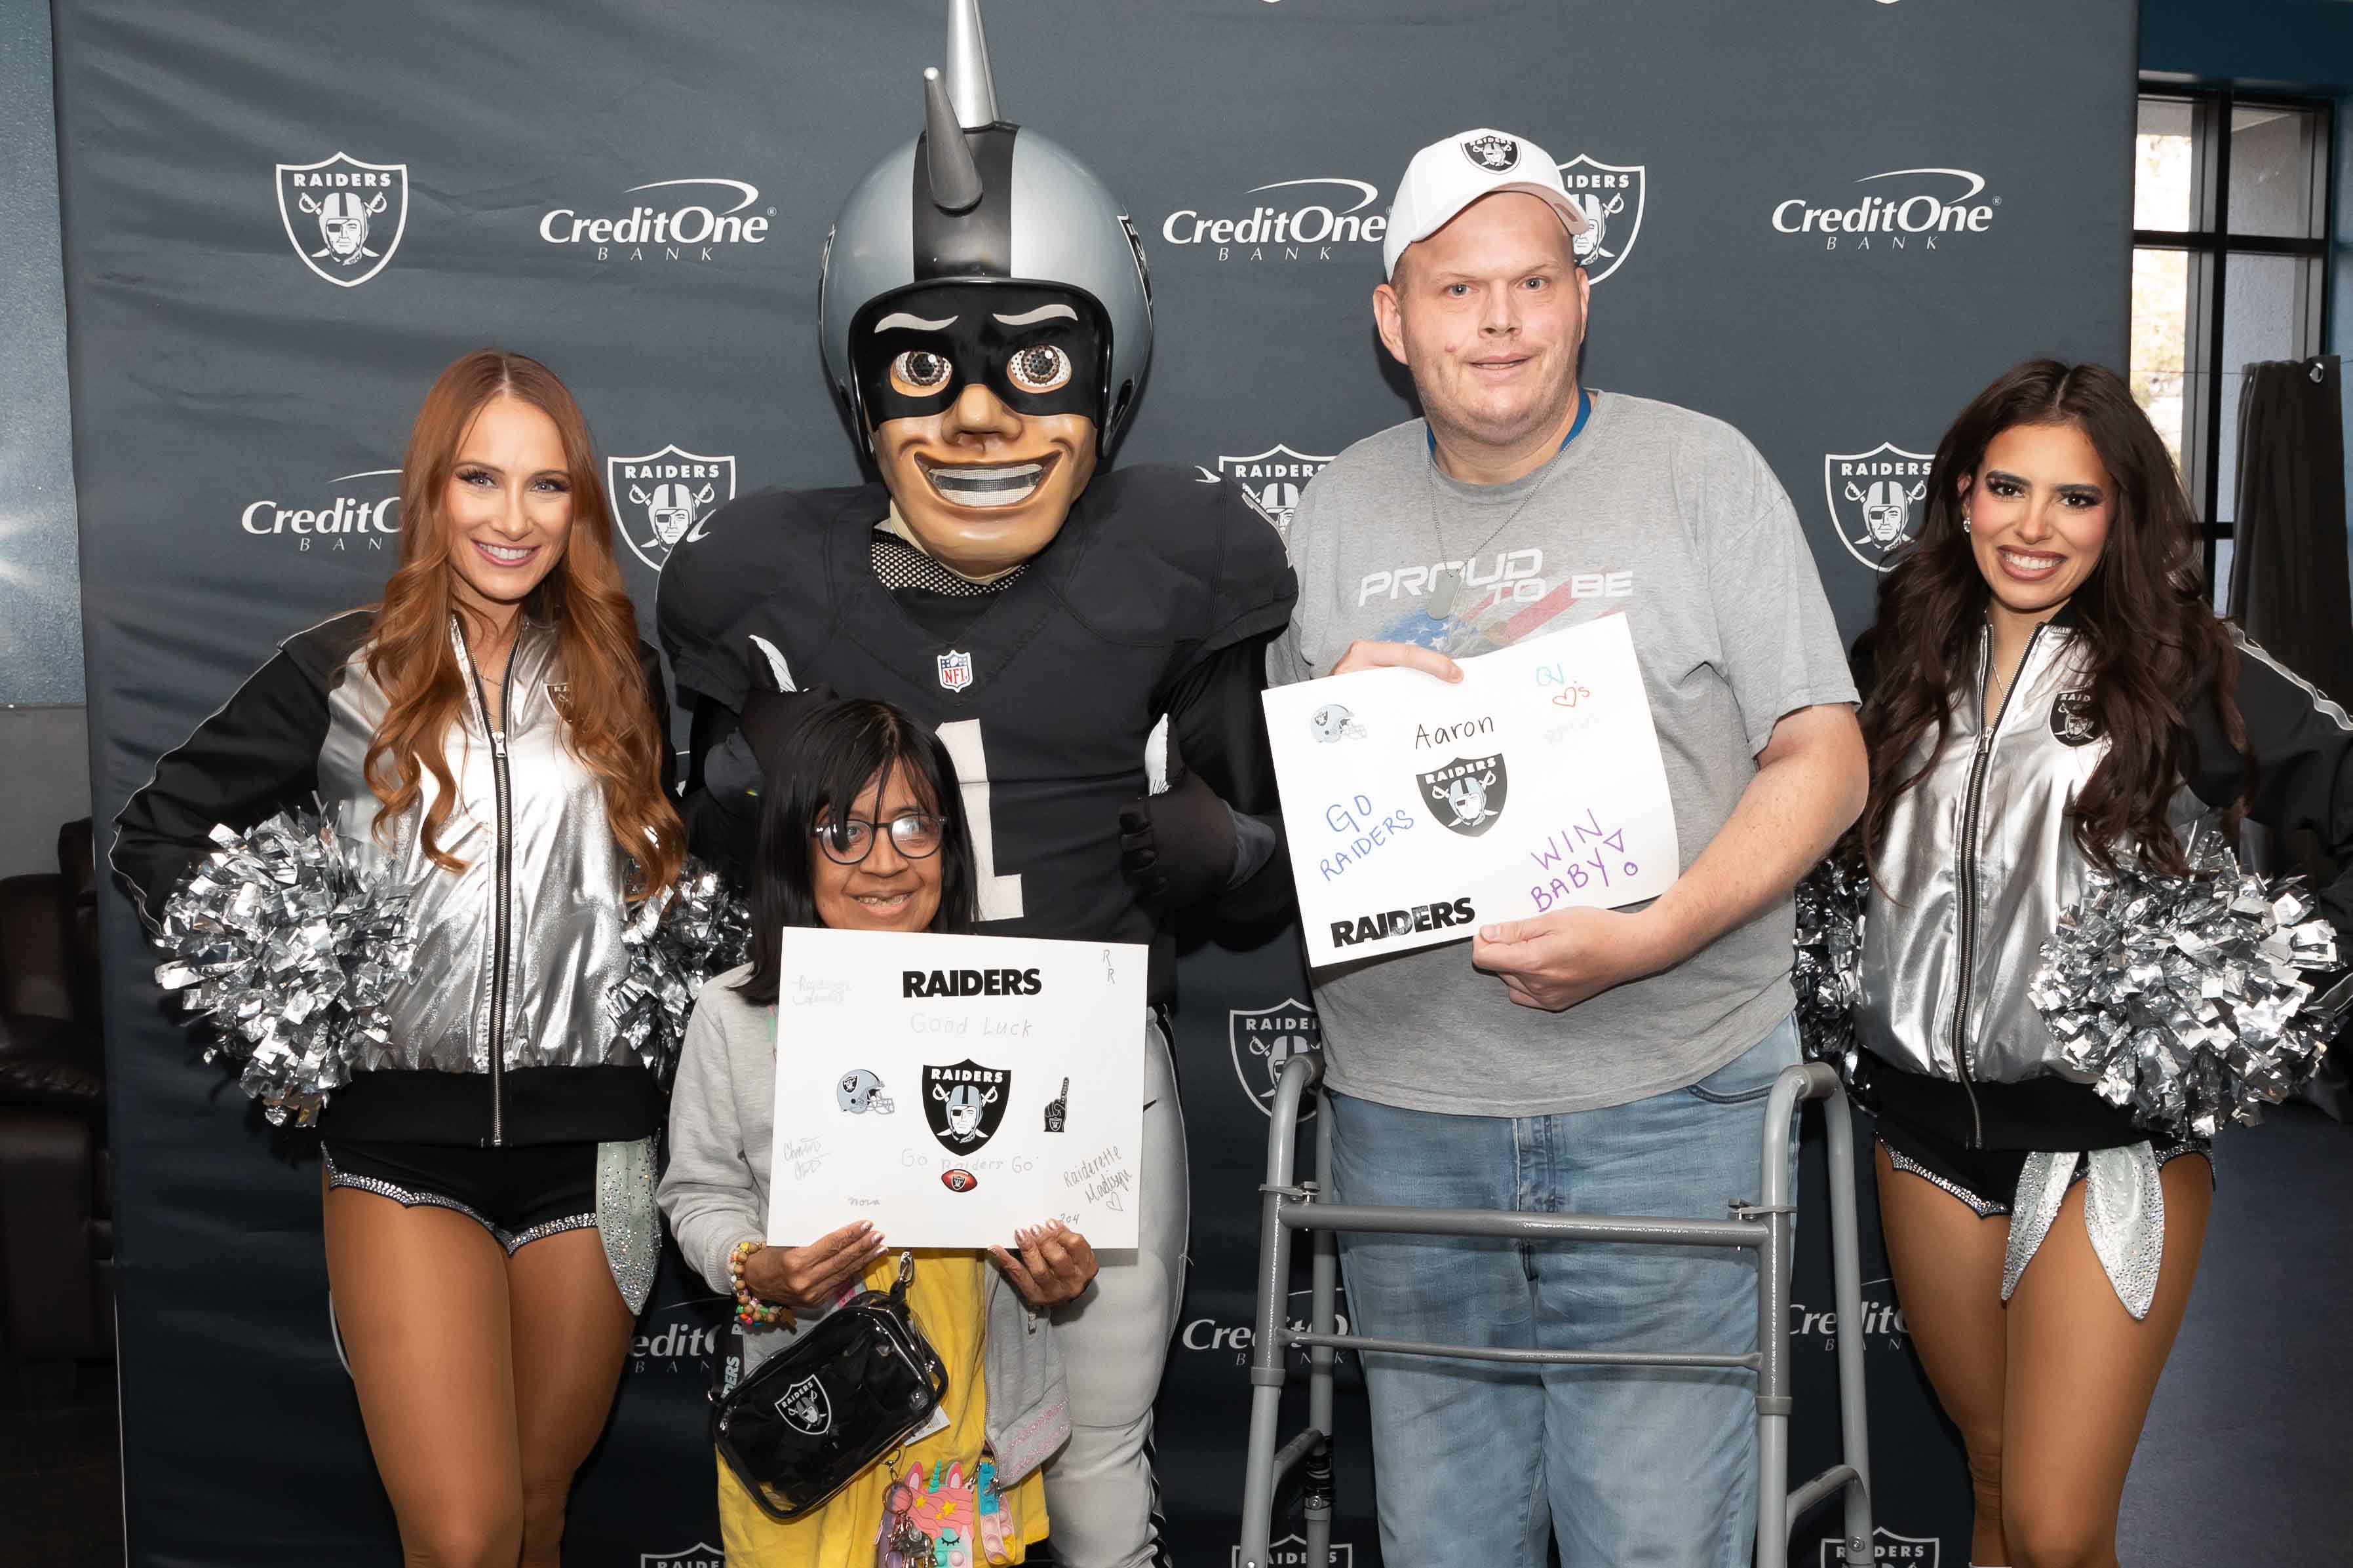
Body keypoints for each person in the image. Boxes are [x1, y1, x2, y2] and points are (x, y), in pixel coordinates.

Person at [656, 7, 1293, 1560]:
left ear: (1114, 372)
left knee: (1082, 1456)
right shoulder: (765, 574)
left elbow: (1280, 866)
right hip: (848, 1087)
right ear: (858, 389)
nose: (984, 414)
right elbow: (693, 857)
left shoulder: (1176, 560)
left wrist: (1225, 850)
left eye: (1039, 360)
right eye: (927, 367)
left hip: (1081, 1079)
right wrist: (751, 820)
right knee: (866, 1452)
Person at [1266, 128, 1867, 1566]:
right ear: (1392, 314)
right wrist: (1332, 713)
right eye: (1459, 286)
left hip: (1666, 1102)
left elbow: (1826, 756)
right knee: (1444, 1544)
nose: (1499, 319)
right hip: (1408, 1120)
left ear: (1580, 297)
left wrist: (1656, 932)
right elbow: (1297, 807)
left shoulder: (1699, 471)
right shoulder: (1334, 503)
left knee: (1656, 1541)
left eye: (1532, 280)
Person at [111, 349, 684, 1568]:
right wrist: (275, 965)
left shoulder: (627, 672)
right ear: (430, 491)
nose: (511, 517)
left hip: (600, 1153)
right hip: (397, 1147)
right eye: (480, 478)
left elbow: (666, 886)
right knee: (465, 1536)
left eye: (546, 485)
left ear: (580, 503)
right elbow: (154, 830)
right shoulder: (341, 666)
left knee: (538, 1511)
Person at [1848, 359, 2353, 1568]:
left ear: (2120, 513)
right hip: (1922, 1135)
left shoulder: (2183, 660)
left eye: (2075, 499)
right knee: (1987, 1479)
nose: (2033, 527)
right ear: (1960, 493)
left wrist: (2276, 983)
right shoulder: (1899, 657)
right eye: (2007, 487)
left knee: (2058, 1529)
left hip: (2106, 1146)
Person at [660, 691, 1099, 1567]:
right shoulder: (734, 1012)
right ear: (796, 847)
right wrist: (757, 1265)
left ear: (949, 841)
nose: (884, 861)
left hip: (966, 1419)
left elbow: (1060, 1201)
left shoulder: (1024, 1010)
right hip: (806, 1412)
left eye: (912, 825)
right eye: (844, 832)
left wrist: (1059, 1269)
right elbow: (698, 1191)